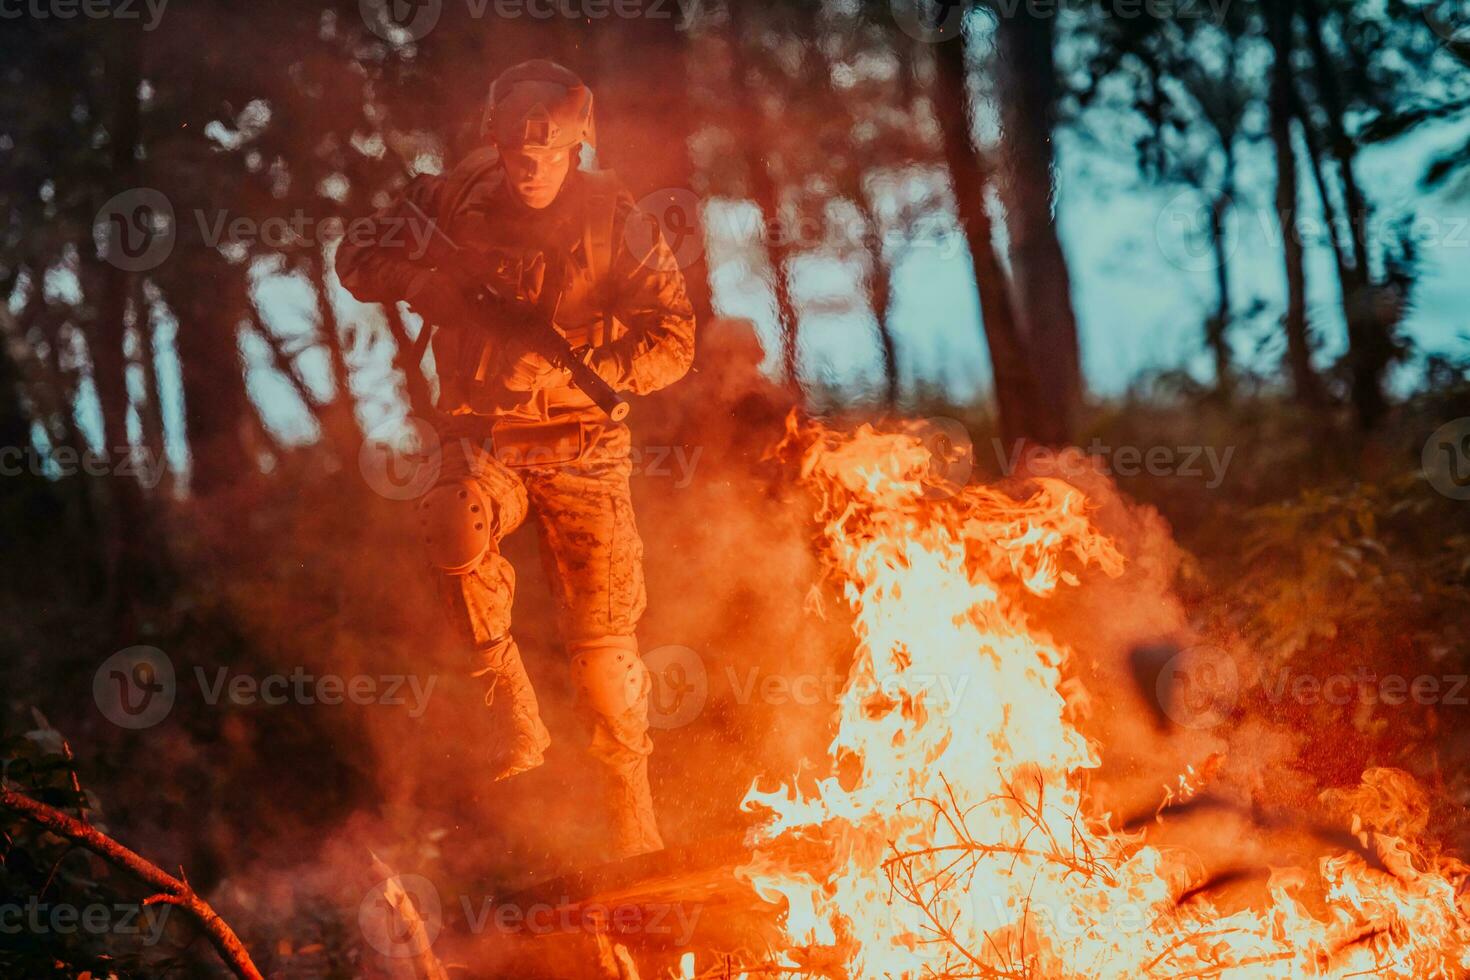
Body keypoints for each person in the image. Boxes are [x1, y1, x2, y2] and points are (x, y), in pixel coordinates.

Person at [336, 59, 696, 859]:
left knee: (604, 655)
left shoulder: (618, 220)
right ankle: (511, 718)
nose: (530, 168)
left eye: (548, 154)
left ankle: (631, 819)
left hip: (584, 448)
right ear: (493, 142)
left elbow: (674, 343)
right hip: (481, 439)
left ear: (578, 145)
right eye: (515, 154)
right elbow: (355, 255)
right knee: (453, 521)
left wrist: (582, 362)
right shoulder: (452, 196)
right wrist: (423, 285)